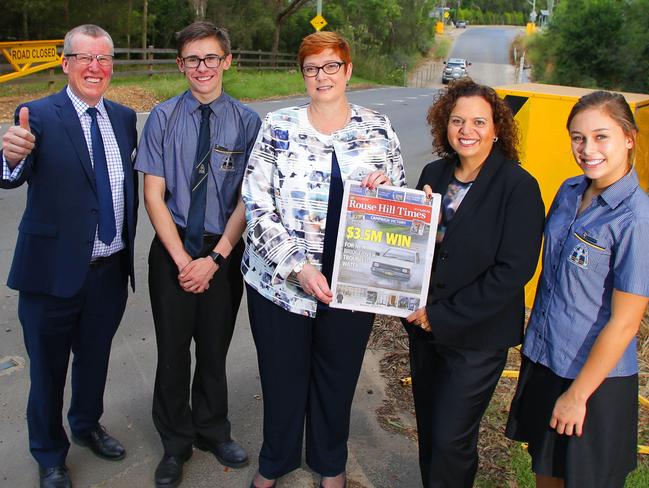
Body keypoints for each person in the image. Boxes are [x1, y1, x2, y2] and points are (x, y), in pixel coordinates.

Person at [242, 31, 406, 488]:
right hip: (281, 285)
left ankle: (330, 465)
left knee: (337, 381)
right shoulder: (279, 126)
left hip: (352, 284)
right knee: (282, 379)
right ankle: (274, 463)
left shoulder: (377, 127)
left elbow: (401, 203)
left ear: (348, 70)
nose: (322, 76)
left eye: (331, 65)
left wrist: (386, 185)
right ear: (303, 75)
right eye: (312, 68)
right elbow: (256, 205)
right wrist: (298, 266)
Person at [0, 24, 138, 488]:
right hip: (50, 274)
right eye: (85, 58)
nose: (95, 68)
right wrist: (9, 155)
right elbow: (11, 172)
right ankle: (49, 453)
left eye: (104, 59)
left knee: (95, 360)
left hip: (108, 272)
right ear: (65, 63)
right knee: (48, 371)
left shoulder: (123, 117)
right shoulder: (35, 114)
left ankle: (86, 425)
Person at [135, 21, 261, 488]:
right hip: (172, 249)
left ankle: (212, 429)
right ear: (180, 65)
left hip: (222, 252)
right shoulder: (162, 119)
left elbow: (250, 198)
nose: (202, 67)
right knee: (172, 353)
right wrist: (184, 260)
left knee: (214, 349)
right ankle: (175, 442)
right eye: (193, 59)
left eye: (211, 57)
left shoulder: (248, 123)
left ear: (227, 61)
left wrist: (216, 259)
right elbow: (153, 194)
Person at [404, 78, 545, 488]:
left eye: (479, 121)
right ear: (444, 126)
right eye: (457, 120)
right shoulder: (434, 172)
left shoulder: (518, 186)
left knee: (452, 438)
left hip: (477, 338)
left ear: (498, 128)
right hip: (425, 329)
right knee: (430, 432)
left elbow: (514, 270)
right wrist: (391, 204)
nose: (467, 130)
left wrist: (442, 315)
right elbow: (408, 245)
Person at [506, 91, 649, 488]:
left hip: (594, 383)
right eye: (578, 138)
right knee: (545, 474)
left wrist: (578, 396)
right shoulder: (570, 191)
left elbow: (625, 324)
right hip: (547, 361)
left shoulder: (636, 218)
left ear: (628, 138)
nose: (588, 150)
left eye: (601, 137)